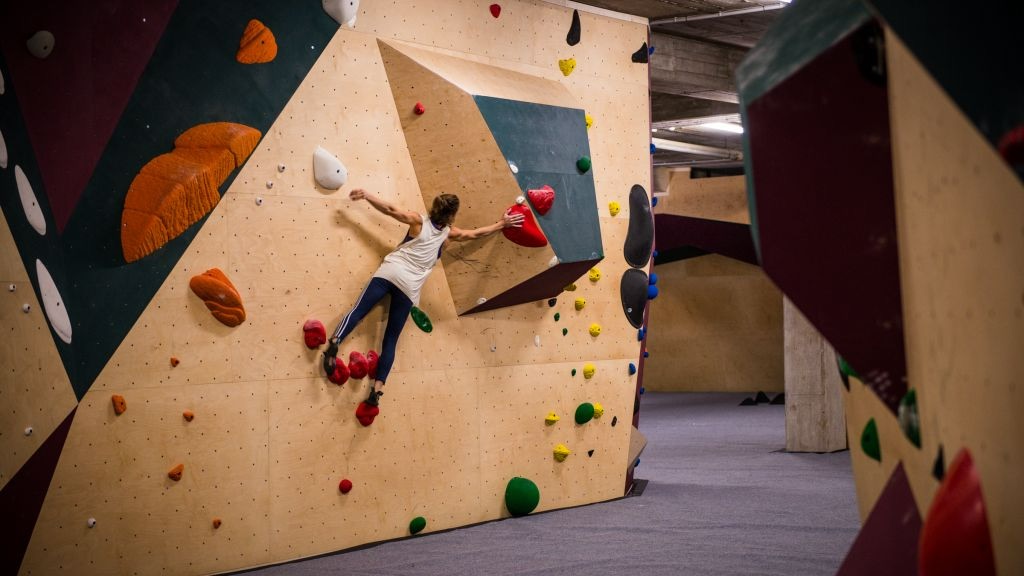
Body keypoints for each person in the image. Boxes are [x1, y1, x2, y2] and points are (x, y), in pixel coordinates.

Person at [323, 188, 524, 408]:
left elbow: (390, 210)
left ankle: (335, 341)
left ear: (433, 207)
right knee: (390, 340)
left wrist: (367, 196)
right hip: (409, 288)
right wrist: (502, 224)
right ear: (451, 215)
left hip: (389, 273)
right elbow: (475, 234)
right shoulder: (450, 234)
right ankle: (377, 391)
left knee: (357, 312)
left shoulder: (417, 221)